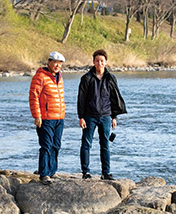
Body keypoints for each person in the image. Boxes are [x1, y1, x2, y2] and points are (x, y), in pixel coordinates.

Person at [77, 49, 126, 180]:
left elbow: (114, 98)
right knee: (86, 144)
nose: (99, 63)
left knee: (105, 144)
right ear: (93, 62)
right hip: (89, 116)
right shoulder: (86, 78)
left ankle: (106, 173)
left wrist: (114, 117)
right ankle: (85, 172)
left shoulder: (110, 78)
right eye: (97, 61)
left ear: (106, 62)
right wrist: (81, 117)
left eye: (102, 61)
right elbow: (81, 99)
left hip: (105, 116)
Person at [29, 51, 66, 185]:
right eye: (55, 62)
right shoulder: (40, 77)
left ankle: (52, 171)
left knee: (56, 145)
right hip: (45, 118)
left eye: (60, 63)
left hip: (59, 118)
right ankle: (44, 173)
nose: (57, 65)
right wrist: (37, 116)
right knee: (46, 145)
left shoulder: (59, 77)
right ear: (48, 62)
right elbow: (33, 97)